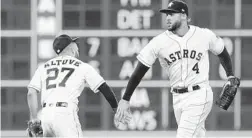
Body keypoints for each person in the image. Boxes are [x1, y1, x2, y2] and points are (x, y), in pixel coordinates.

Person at [114, 0, 240, 137]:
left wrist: (230, 75)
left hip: (199, 95)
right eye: (166, 14)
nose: (167, 18)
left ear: (184, 16)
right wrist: (125, 99)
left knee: (183, 135)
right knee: (196, 135)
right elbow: (138, 73)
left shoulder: (203, 35)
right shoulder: (159, 42)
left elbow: (222, 52)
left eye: (172, 14)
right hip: (177, 98)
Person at [27, 34, 118, 137]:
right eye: (74, 43)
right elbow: (104, 88)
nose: (77, 45)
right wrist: (116, 109)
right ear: (70, 48)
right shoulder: (81, 66)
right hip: (65, 115)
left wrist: (34, 119)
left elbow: (31, 93)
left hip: (45, 115)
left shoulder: (43, 67)